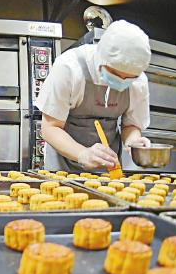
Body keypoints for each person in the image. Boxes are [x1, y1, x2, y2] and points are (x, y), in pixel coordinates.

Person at [35, 20, 152, 172]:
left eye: (129, 78)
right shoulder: (69, 68)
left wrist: (133, 142)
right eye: (115, 74)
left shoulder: (139, 82)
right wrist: (82, 154)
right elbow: (50, 127)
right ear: (101, 58)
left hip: (108, 167)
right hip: (63, 167)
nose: (122, 82)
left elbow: (131, 125)